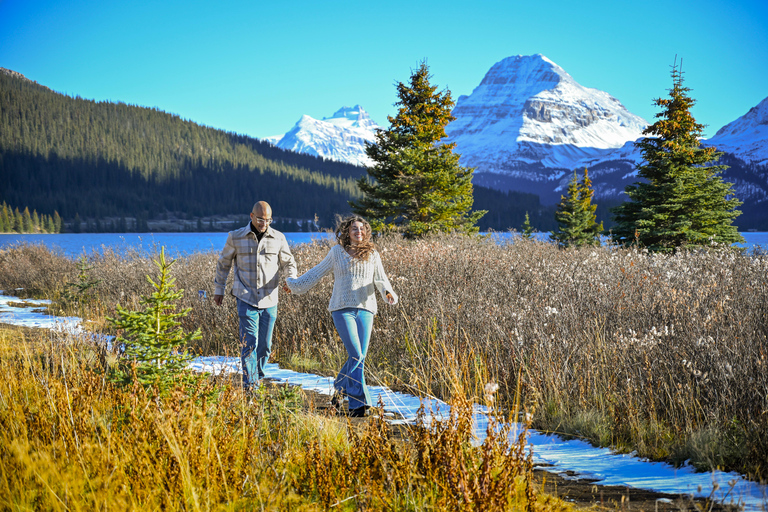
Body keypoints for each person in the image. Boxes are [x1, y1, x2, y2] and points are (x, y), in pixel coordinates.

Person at [286, 215, 398, 417]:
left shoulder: (372, 254)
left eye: (362, 229)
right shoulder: (337, 252)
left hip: (366, 309)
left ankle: (338, 392)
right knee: (356, 355)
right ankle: (358, 404)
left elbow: (381, 280)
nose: (358, 232)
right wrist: (294, 284)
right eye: (354, 228)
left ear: (366, 232)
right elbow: (316, 273)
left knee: (359, 358)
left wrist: (388, 293)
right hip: (342, 308)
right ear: (347, 231)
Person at [214, 201, 297, 389]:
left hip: (270, 298)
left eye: (268, 220)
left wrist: (290, 280)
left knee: (265, 347)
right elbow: (223, 264)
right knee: (249, 343)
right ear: (251, 216)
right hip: (245, 297)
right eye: (260, 219)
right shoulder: (235, 237)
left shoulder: (278, 238)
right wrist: (219, 289)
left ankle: (255, 377)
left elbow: (289, 263)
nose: (264, 224)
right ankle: (250, 387)